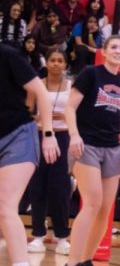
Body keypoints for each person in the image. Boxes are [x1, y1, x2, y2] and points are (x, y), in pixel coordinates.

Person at [59, 36, 120, 266]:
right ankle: (71, 264)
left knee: (104, 209)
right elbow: (69, 108)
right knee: (92, 202)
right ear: (103, 51)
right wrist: (74, 136)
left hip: (112, 149)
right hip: (87, 145)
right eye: (113, 47)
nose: (118, 51)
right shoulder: (91, 74)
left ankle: (85, 261)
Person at [0, 43, 59, 266]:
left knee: (5, 208)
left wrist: (48, 134)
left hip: (18, 136)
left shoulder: (7, 55)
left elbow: (41, 93)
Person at [25, 51, 73, 254]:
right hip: (39, 137)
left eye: (59, 61)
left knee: (60, 187)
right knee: (37, 186)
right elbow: (26, 111)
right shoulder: (37, 85)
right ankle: (37, 234)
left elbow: (76, 113)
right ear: (47, 63)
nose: (55, 64)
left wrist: (64, 115)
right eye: (52, 60)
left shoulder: (71, 86)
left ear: (65, 65)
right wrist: (40, 117)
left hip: (62, 137)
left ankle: (62, 236)